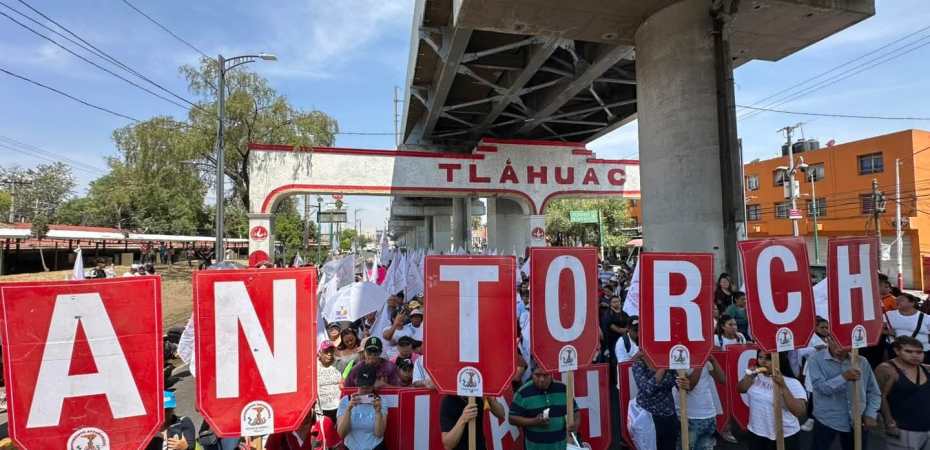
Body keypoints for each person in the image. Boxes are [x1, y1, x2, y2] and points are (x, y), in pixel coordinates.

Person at [806, 336, 881, 450]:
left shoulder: (862, 361)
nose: (840, 346)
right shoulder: (815, 360)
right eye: (835, 340)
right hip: (827, 420)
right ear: (828, 339)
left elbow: (873, 391)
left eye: (844, 341)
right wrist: (844, 377)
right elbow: (821, 388)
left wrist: (870, 414)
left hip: (857, 420)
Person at [738, 350, 807, 450]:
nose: (763, 362)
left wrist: (783, 387)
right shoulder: (755, 377)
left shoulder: (792, 382)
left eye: (768, 359)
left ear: (779, 360)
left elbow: (799, 411)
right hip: (756, 432)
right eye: (760, 357)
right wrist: (748, 377)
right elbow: (741, 389)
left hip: (784, 435)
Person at [875, 336, 930, 450]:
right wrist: (889, 422)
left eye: (919, 352)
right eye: (908, 351)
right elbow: (879, 396)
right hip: (903, 429)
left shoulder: (926, 369)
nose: (915, 355)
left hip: (926, 428)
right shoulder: (887, 369)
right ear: (897, 351)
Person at [509, 365, 580, 449]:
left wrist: (574, 427)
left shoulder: (562, 389)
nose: (541, 379)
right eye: (537, 375)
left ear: (551, 374)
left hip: (561, 446)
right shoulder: (522, 392)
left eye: (546, 375)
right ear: (532, 374)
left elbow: (575, 412)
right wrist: (534, 421)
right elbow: (512, 418)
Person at [629, 354, 690, 450]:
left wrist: (685, 384)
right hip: (649, 418)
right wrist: (663, 367)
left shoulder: (671, 364)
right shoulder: (639, 364)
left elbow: (682, 387)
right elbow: (648, 389)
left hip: (669, 417)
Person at [677, 355, 726, 450]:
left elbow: (722, 379)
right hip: (689, 417)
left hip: (708, 416)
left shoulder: (704, 357)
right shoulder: (679, 356)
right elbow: (689, 386)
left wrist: (713, 360)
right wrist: (701, 361)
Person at [336, 365, 387, 450]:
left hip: (374, 447)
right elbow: (341, 434)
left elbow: (379, 434)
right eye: (362, 386)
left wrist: (378, 412)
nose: (364, 390)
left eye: (368, 386)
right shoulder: (345, 401)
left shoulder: (381, 401)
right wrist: (348, 409)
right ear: (356, 383)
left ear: (373, 384)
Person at [440, 395, 506, 450]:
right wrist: (463, 420)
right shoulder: (449, 401)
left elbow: (501, 414)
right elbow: (448, 445)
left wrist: (492, 400)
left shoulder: (479, 396)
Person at [885, 294, 930, 363]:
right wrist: (886, 332)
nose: (897, 301)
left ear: (912, 303)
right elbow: (875, 328)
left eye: (901, 300)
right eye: (896, 300)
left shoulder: (926, 318)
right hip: (896, 351)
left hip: (919, 352)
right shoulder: (888, 315)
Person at [316, 341, 343, 422]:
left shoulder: (339, 364)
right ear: (320, 352)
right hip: (322, 409)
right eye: (326, 351)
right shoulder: (314, 366)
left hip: (338, 407)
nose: (329, 354)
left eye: (331, 351)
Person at [602, 295, 628, 360]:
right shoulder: (607, 314)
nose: (616, 303)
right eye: (614, 302)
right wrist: (624, 330)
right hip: (612, 341)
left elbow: (629, 324)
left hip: (624, 339)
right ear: (610, 303)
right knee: (615, 358)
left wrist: (626, 329)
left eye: (618, 301)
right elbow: (615, 328)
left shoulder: (624, 313)